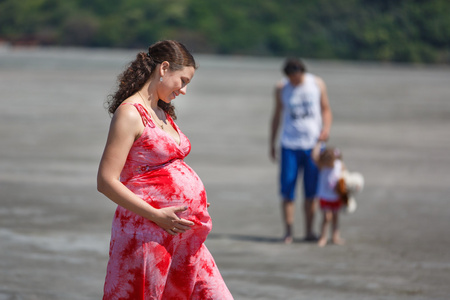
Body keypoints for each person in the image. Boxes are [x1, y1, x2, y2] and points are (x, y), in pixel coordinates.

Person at [97, 40, 233, 299]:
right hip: (147, 233)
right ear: (164, 68)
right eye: (183, 81)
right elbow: (105, 181)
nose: (183, 91)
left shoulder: (161, 111)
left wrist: (193, 200)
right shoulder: (130, 114)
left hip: (182, 234)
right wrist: (158, 214)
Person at [270, 58, 332, 244]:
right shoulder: (282, 88)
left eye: (297, 78)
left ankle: (309, 231)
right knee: (288, 189)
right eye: (291, 78)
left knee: (311, 191)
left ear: (303, 73)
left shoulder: (317, 83)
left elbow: (326, 109)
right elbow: (277, 115)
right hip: (289, 144)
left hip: (313, 145)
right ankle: (288, 231)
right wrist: (271, 143)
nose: (295, 82)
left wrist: (326, 130)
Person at [312, 143, 346, 247]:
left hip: (335, 196)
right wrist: (318, 145)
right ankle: (323, 237)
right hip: (325, 196)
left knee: (335, 217)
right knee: (326, 217)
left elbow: (346, 177)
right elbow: (314, 157)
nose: (329, 162)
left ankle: (335, 236)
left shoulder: (339, 165)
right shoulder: (322, 166)